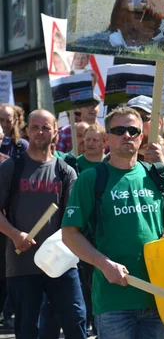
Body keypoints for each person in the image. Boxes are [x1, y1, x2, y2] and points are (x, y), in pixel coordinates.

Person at [62, 106, 164, 338]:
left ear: (141, 136)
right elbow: (70, 233)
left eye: (133, 130)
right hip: (113, 298)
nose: (127, 135)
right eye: (119, 130)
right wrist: (104, 264)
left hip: (158, 295)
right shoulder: (90, 179)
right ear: (107, 137)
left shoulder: (157, 176)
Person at [0, 109, 87, 338]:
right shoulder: (11, 168)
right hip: (22, 265)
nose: (40, 132)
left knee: (75, 319)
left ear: (55, 132)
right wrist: (15, 234)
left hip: (62, 263)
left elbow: (73, 218)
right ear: (27, 130)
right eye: (35, 127)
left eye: (46, 127)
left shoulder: (65, 171)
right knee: (27, 329)